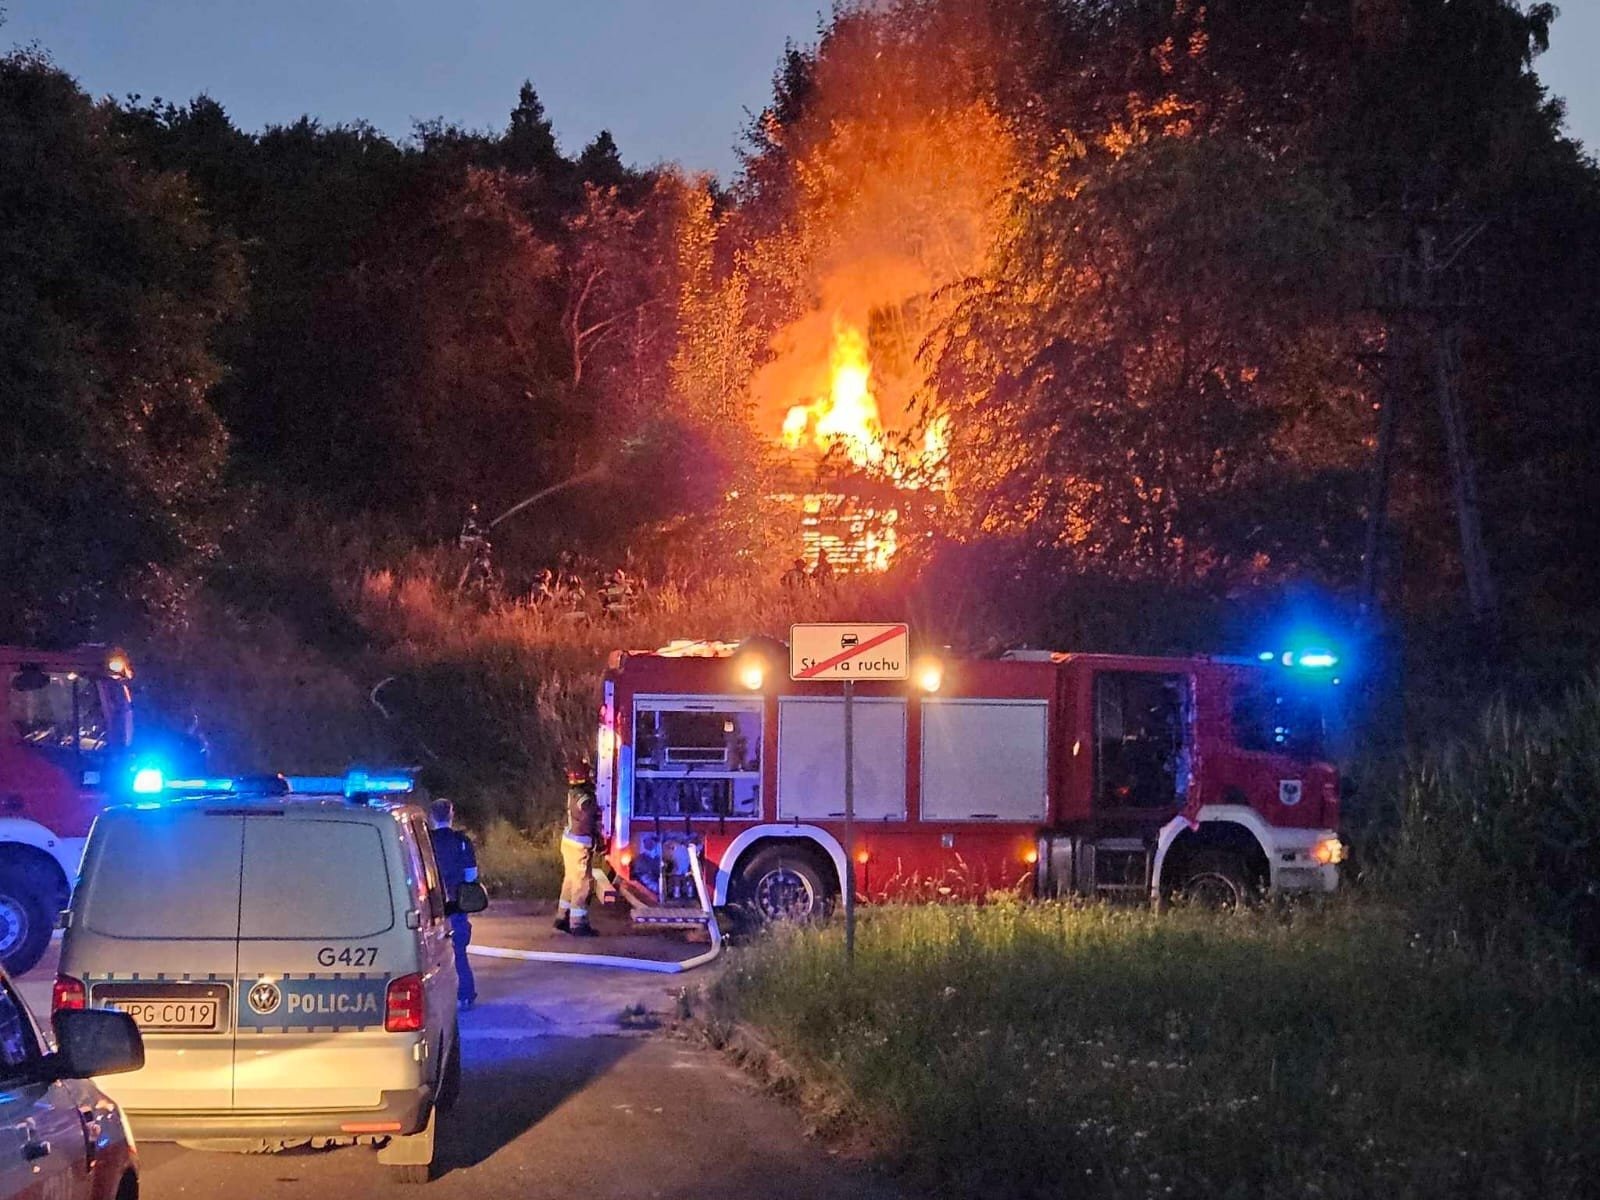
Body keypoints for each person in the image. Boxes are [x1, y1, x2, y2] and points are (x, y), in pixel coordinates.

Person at [429, 798, 479, 1010]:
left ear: (431, 816)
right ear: (451, 814)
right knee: (459, 951)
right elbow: (471, 875)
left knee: (431, 955)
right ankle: (465, 995)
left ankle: (434, 999)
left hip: (431, 906)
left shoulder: (426, 840)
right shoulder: (462, 841)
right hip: (456, 903)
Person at [555, 761, 602, 937]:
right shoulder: (584, 797)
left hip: (569, 842)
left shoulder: (573, 792)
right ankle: (578, 923)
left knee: (570, 880)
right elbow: (588, 815)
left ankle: (563, 916)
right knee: (582, 884)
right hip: (579, 844)